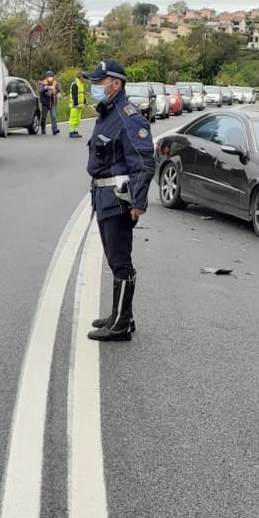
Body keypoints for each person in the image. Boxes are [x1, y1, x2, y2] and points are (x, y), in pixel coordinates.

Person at [81, 58, 154, 342]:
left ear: (116, 84)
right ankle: (120, 314)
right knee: (114, 259)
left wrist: (138, 201)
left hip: (118, 198)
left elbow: (143, 160)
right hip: (103, 195)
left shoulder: (127, 116)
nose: (95, 87)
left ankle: (121, 324)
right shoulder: (108, 113)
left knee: (120, 260)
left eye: (99, 83)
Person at [38, 71, 59, 135]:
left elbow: (58, 91)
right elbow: (40, 91)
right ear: (46, 77)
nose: (50, 78)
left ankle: (54, 129)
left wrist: (56, 92)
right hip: (45, 103)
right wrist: (45, 88)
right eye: (49, 77)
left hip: (53, 102)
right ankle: (43, 130)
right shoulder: (43, 83)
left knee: (54, 116)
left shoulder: (55, 83)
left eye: (51, 77)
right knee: (44, 117)